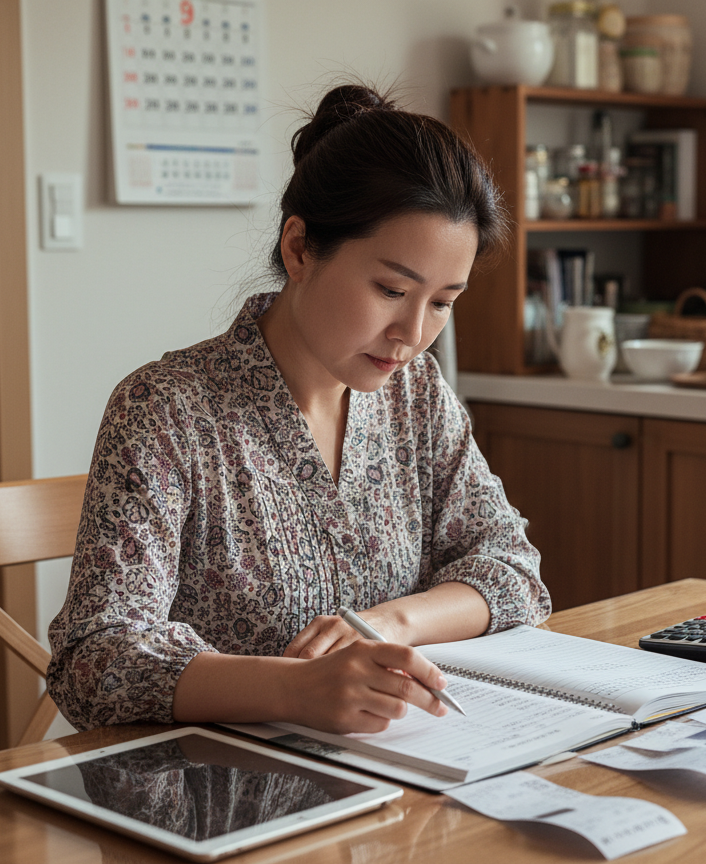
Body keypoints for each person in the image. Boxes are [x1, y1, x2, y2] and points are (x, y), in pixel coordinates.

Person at [47, 84, 550, 736]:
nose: (413, 333)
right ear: (299, 249)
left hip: (400, 788)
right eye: (392, 289)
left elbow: (513, 569)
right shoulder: (166, 410)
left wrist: (390, 622)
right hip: (208, 802)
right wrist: (294, 690)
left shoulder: (417, 396)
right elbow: (94, 660)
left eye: (443, 301)